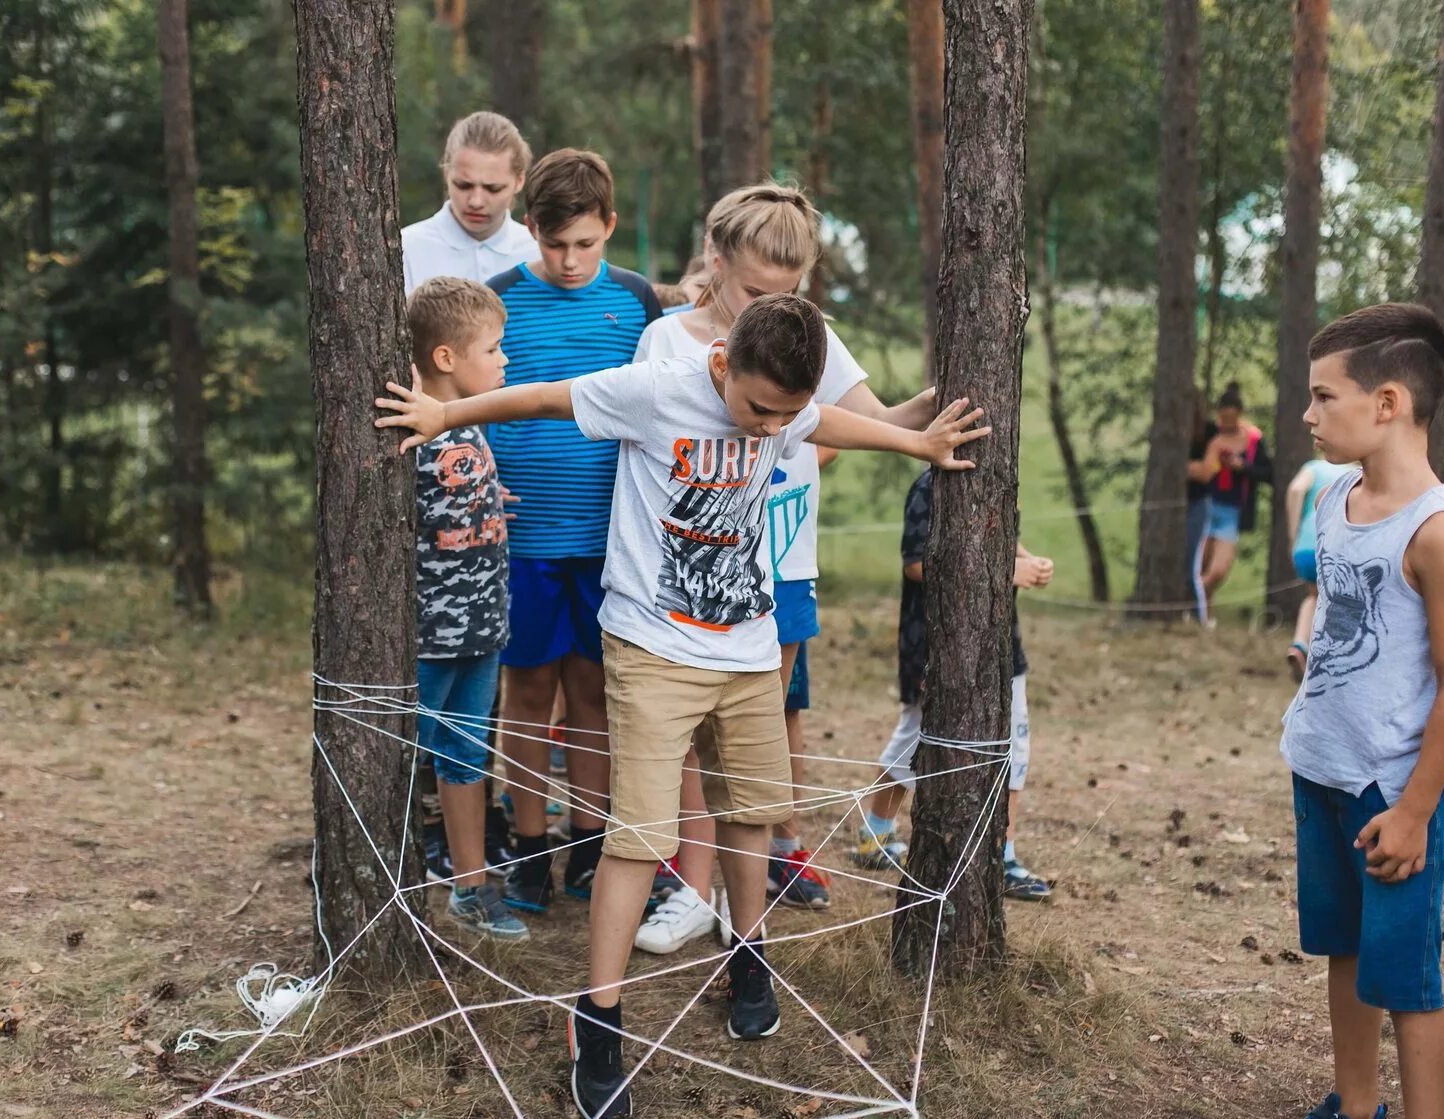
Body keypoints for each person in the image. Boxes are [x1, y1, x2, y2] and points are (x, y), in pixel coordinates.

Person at [375, 292, 991, 1119]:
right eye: (757, 408)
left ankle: (748, 954)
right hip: (652, 648)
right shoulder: (657, 388)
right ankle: (597, 1016)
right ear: (720, 365)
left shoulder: (786, 411)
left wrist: (916, 441)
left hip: (746, 649)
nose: (771, 428)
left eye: (786, 413)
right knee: (641, 833)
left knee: (754, 812)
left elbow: (831, 427)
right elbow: (544, 397)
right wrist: (446, 410)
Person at [628, 184, 941, 954]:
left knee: (755, 741)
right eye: (756, 292)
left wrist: (957, 386)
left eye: (790, 293)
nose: (773, 308)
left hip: (782, 566)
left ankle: (746, 903)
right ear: (715, 258)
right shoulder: (667, 341)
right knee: (697, 738)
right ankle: (692, 891)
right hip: (692, 582)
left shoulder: (810, 335)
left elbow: (879, 419)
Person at [1280, 303, 1444, 1119]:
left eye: (1325, 397)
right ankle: (1355, 1107)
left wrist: (1416, 807)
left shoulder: (1441, 531)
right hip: (1320, 767)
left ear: (1389, 402)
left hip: (1391, 792)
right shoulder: (1333, 498)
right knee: (1343, 949)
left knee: (1407, 981)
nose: (1308, 414)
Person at [485, 149, 662, 913]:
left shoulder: (637, 303)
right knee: (526, 692)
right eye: (554, 243)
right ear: (530, 228)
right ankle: (529, 848)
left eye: (584, 243)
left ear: (609, 228)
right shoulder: (493, 301)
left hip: (609, 540)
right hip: (519, 542)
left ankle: (588, 845)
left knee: (593, 693)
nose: (567, 259)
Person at [852, 467, 1054, 900]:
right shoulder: (930, 485)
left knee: (1014, 748)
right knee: (916, 740)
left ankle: (1002, 856)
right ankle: (876, 833)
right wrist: (1005, 570)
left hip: (1001, 645)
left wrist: (1028, 562)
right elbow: (916, 565)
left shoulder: (1002, 476)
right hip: (935, 643)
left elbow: (1003, 540)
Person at [405, 277, 526, 941]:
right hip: (430, 637)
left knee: (468, 759)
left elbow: (449, 493)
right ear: (447, 357)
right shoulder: (410, 418)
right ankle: (380, 876)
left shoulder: (467, 418)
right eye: (493, 347)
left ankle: (471, 886)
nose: (504, 359)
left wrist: (484, 500)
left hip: (484, 627)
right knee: (401, 757)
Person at [402, 112, 538, 292]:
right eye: (463, 185)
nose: (476, 201)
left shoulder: (539, 252)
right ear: (446, 173)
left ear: (519, 181)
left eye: (493, 188)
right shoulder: (406, 250)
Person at [1196, 382, 1272, 608]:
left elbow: (1268, 473)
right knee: (1200, 564)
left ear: (1239, 415)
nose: (1225, 423)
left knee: (1218, 570)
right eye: (1222, 417)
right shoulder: (1211, 434)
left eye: (1230, 418)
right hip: (1208, 506)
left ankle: (1192, 599)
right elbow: (1203, 470)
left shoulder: (1254, 440)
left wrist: (1243, 467)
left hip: (1233, 511)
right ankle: (1203, 615)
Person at [1285, 456, 1357, 681]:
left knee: (1314, 597)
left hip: (1305, 546)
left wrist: (1293, 533)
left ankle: (1300, 644)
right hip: (1336, 548)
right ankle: (1326, 660)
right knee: (1337, 602)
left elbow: (1296, 489)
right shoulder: (1358, 474)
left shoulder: (1313, 468)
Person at [1184, 391, 1216, 624]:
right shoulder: (1175, 435)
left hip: (1199, 503)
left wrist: (1182, 467)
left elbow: (1206, 472)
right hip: (1178, 505)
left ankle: (1200, 618)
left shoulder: (1209, 431)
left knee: (1192, 565)